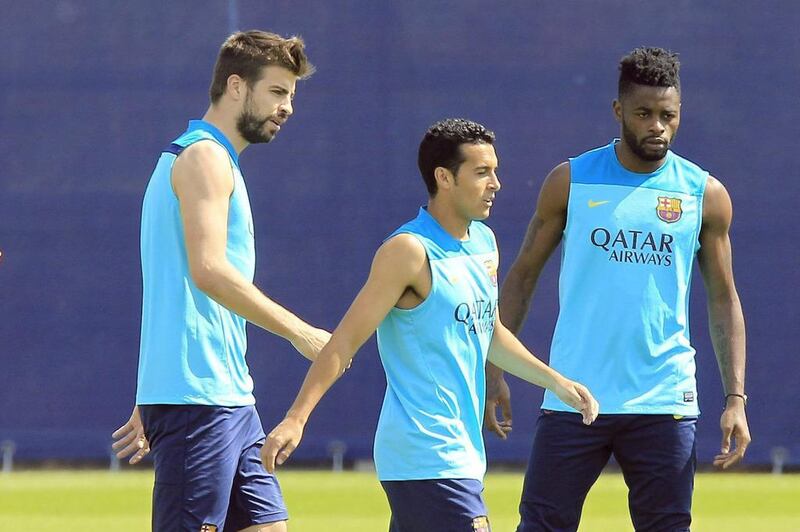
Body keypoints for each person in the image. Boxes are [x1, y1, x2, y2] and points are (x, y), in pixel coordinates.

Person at [262, 118, 599, 531]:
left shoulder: (484, 242)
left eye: (495, 171)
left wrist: (556, 383)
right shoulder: (407, 251)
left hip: (459, 455)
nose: (496, 183)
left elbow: (488, 332)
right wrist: (297, 418)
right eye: (481, 172)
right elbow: (345, 342)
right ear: (444, 177)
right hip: (425, 454)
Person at [484, 47, 751, 531]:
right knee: (541, 525)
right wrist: (493, 369)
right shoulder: (571, 181)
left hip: (664, 400)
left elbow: (723, 298)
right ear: (618, 112)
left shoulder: (704, 193)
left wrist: (736, 398)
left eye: (668, 115)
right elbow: (522, 276)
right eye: (644, 114)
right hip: (572, 392)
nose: (657, 127)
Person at [111, 30, 330, 532]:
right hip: (198, 400)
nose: (287, 107)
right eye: (277, 92)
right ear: (237, 87)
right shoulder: (203, 158)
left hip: (225, 396)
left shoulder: (215, 159)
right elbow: (207, 271)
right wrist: (299, 331)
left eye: (291, 96)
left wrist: (157, 389)